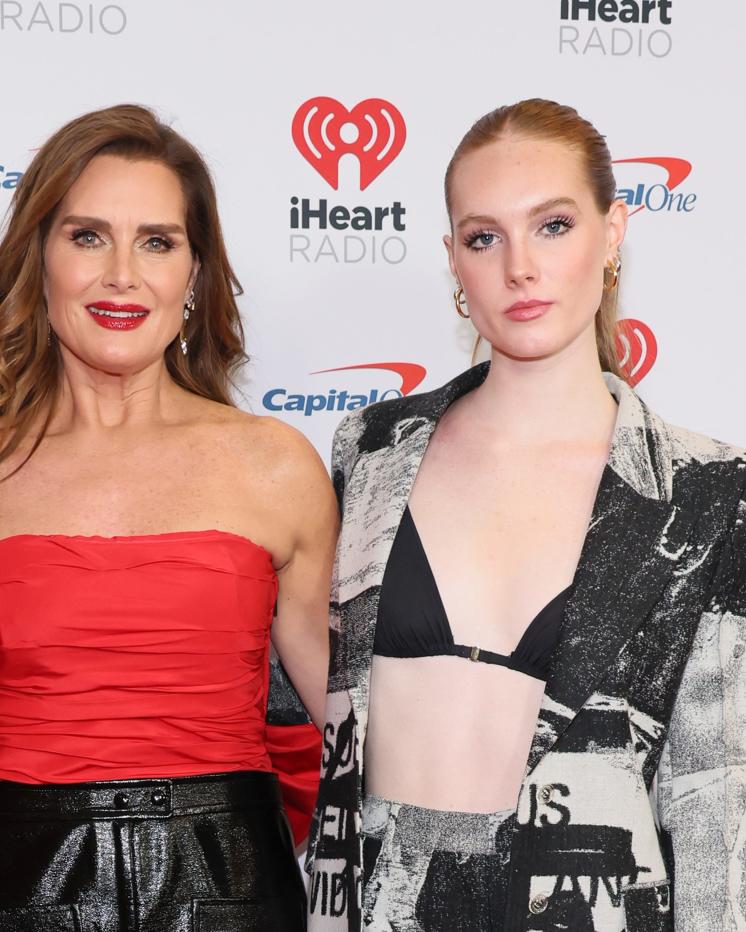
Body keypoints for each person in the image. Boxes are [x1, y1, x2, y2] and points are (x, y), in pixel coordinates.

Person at [306, 98, 746, 931]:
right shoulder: (368, 452)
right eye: (484, 238)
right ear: (453, 260)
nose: (519, 267)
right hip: (373, 908)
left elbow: (717, 792)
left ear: (613, 232)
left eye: (552, 225)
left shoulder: (709, 491)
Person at [0, 104, 335, 931]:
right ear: (40, 259)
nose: (122, 276)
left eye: (158, 241)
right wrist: (17, 818)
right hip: (18, 893)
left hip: (234, 891)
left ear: (196, 274)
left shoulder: (275, 466)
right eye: (88, 236)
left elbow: (353, 733)